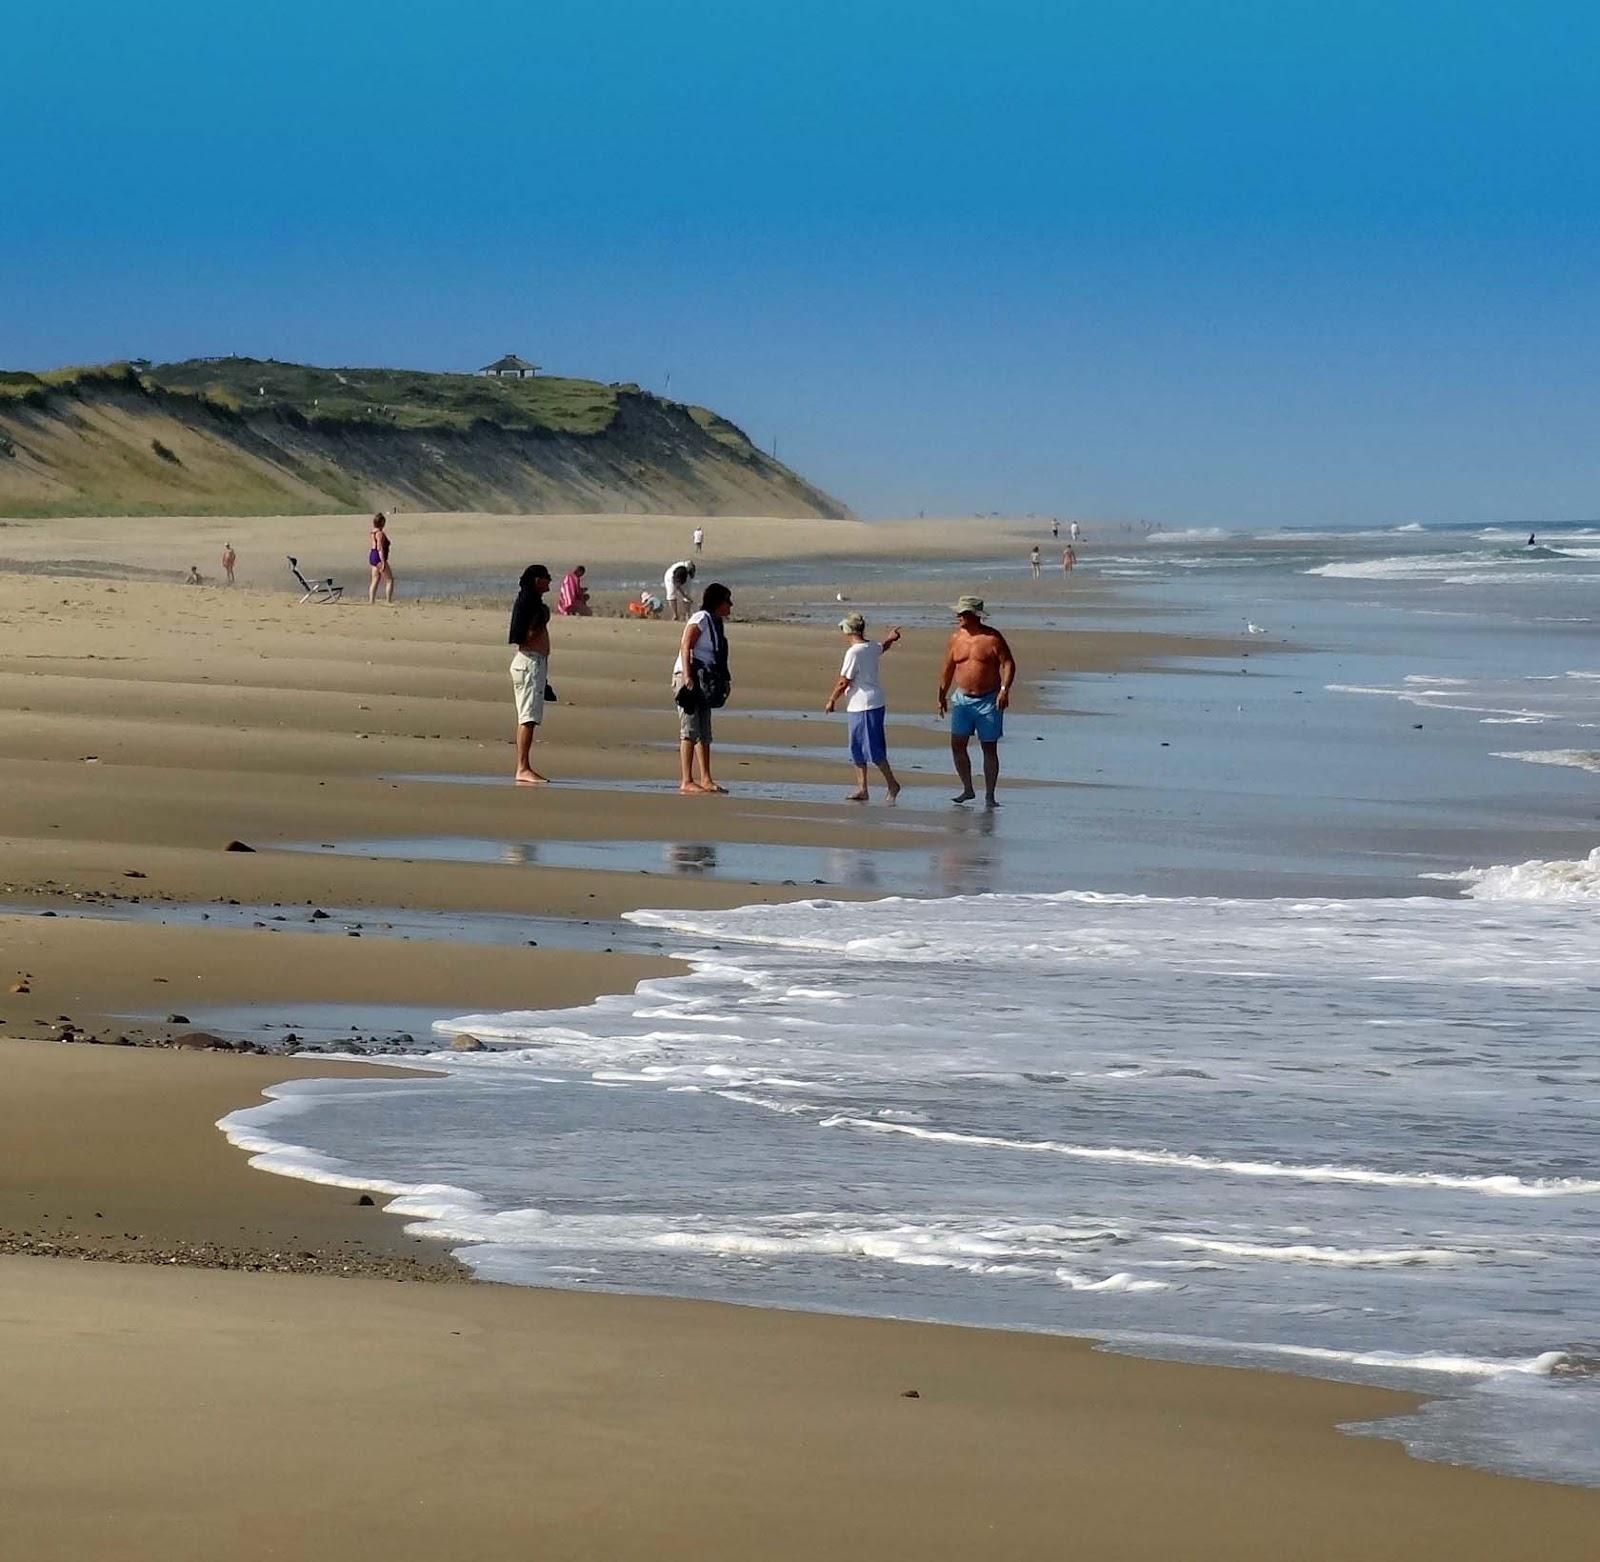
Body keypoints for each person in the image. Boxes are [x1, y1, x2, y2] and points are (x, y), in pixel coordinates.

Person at [937, 595, 1017, 808]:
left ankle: (990, 795)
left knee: (988, 748)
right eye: (958, 613)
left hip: (989, 700)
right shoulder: (956, 638)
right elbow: (948, 668)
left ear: (974, 615)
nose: (958, 616)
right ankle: (968, 788)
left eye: (962, 613)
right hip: (962, 699)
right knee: (957, 744)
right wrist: (941, 694)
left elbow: (1008, 663)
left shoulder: (992, 638)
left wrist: (1004, 690)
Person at [824, 613, 902, 802]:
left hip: (867, 705)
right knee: (856, 748)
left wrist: (832, 699)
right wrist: (891, 638)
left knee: (873, 749)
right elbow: (882, 647)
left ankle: (892, 783)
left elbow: (844, 681)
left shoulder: (854, 652)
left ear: (849, 631)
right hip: (859, 704)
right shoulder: (871, 646)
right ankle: (862, 788)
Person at [672, 581, 733, 794]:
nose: (730, 606)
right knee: (689, 728)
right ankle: (686, 780)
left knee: (704, 730)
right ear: (718, 602)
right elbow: (686, 644)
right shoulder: (701, 619)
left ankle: (706, 778)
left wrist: (724, 680)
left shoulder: (716, 623)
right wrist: (688, 677)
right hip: (688, 676)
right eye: (727, 601)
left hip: (705, 678)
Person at [508, 564, 553, 785]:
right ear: (537, 580)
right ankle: (522, 767)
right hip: (529, 662)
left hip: (533, 664)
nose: (550, 582)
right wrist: (544, 617)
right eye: (547, 578)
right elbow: (523, 636)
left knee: (530, 718)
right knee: (527, 718)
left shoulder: (530, 600)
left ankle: (524, 766)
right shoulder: (528, 601)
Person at [368, 513, 395, 604]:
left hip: (373, 555)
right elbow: (379, 547)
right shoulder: (380, 533)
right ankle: (388, 601)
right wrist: (383, 561)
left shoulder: (373, 532)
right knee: (389, 580)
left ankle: (371, 601)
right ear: (382, 522)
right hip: (378, 556)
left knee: (375, 579)